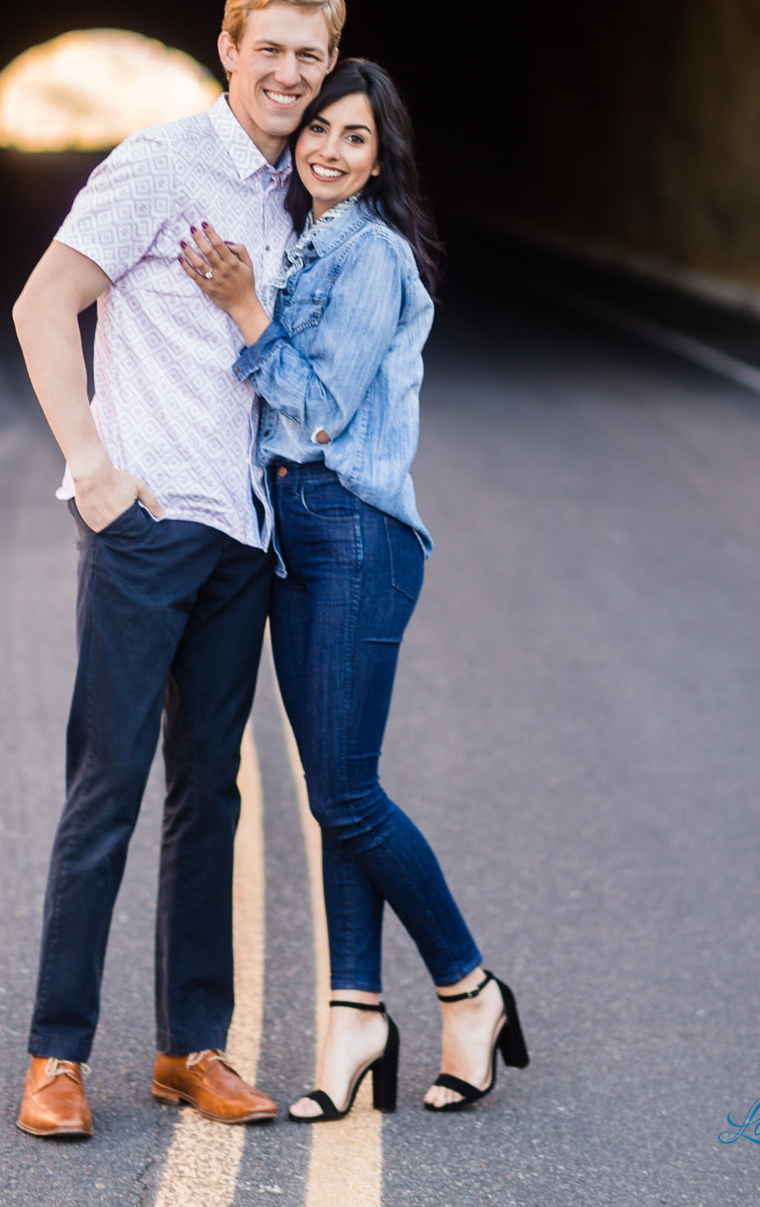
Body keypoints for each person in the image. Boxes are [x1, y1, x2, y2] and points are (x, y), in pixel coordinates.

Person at [9, 0, 344, 1139]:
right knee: (107, 785)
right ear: (230, 45)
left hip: (243, 538)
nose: (291, 73)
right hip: (148, 530)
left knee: (214, 792)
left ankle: (190, 1046)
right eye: (274, 49)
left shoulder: (300, 195)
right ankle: (56, 1054)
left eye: (312, 55)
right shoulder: (157, 163)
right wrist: (96, 473)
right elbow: (43, 303)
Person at [180, 58, 527, 1118]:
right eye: (319, 128)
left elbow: (319, 405)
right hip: (298, 534)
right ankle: (353, 1021)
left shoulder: (369, 254)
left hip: (358, 532)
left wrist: (243, 307)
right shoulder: (306, 243)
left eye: (355, 137)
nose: (329, 148)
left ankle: (470, 988)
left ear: (385, 158)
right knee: (340, 786)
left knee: (344, 795)